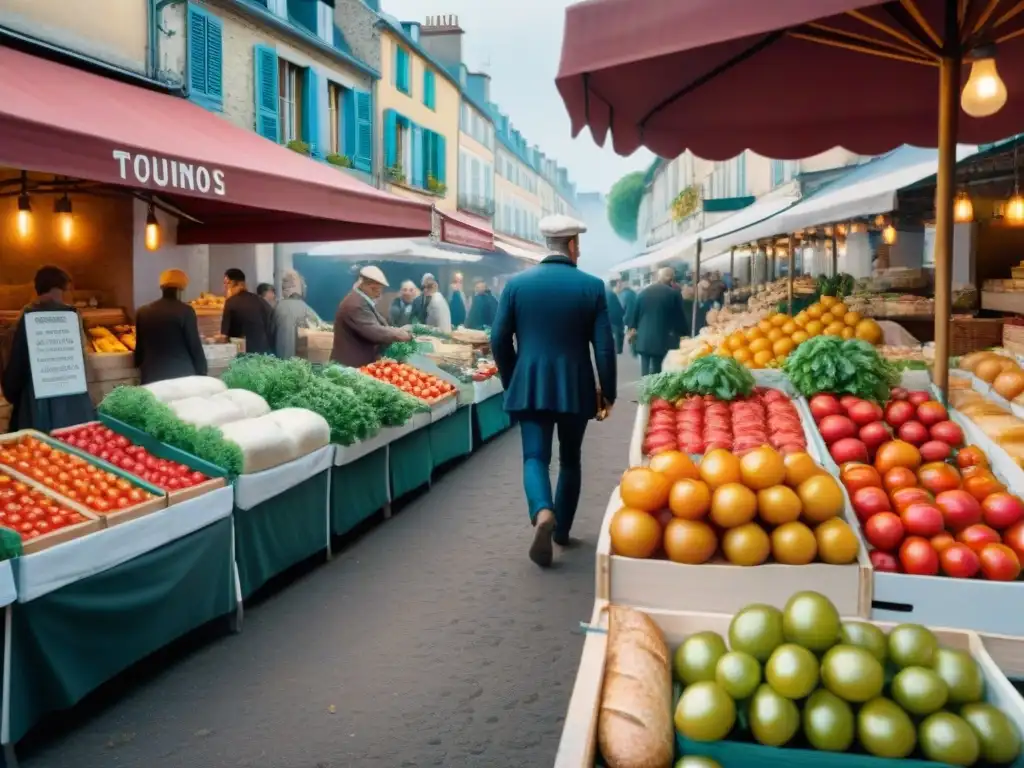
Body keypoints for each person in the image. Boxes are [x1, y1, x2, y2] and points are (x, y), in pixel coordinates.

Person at [491, 214, 616, 568]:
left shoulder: (516, 285)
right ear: (573, 245)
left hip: (529, 384)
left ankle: (542, 511)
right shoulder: (592, 286)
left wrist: (513, 378)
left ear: (548, 245)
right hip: (575, 386)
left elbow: (499, 339)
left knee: (535, 457)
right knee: (571, 459)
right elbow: (604, 347)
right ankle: (561, 532)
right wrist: (607, 391)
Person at [1, 266, 95, 432]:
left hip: (36, 409)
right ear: (59, 288)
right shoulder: (72, 317)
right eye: (67, 290)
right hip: (74, 408)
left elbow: (15, 371)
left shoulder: (26, 317)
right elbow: (84, 365)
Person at [134, 268, 208, 384]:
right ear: (181, 289)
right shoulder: (186, 311)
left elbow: (139, 349)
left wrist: (138, 365)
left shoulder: (142, 312)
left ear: (162, 288)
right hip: (181, 376)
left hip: (151, 376)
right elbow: (194, 345)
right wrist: (202, 371)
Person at [331, 265, 412, 367]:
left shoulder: (360, 300)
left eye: (380, 289)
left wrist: (397, 330)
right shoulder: (355, 304)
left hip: (357, 363)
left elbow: (378, 323)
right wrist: (399, 334)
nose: (379, 293)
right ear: (368, 285)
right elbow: (374, 331)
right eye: (376, 289)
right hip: (350, 366)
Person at [627, 266, 687, 376]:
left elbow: (634, 315)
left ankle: (644, 388)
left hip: (644, 339)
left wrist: (632, 329)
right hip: (662, 339)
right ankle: (653, 391)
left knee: (644, 369)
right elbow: (679, 317)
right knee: (657, 369)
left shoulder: (643, 292)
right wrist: (685, 333)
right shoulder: (673, 294)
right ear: (671, 279)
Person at [220, 268, 275, 355]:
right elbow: (272, 324)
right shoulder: (259, 300)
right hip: (264, 354)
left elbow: (224, 336)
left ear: (232, 283)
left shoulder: (230, 302)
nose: (224, 287)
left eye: (226, 283)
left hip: (243, 356)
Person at [272, 270, 320, 359]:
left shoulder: (277, 308)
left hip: (279, 364)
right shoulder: (307, 310)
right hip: (300, 365)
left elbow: (270, 334)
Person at [618, 280, 638, 357]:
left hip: (627, 318)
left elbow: (621, 307)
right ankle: (634, 349)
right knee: (634, 334)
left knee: (630, 335)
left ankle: (633, 351)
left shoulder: (622, 295)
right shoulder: (633, 293)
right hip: (635, 317)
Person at [606, 279, 626, 354]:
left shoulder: (608, 293)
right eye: (619, 285)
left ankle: (616, 349)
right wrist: (622, 313)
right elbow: (616, 307)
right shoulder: (612, 294)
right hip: (615, 318)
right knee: (618, 333)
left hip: (609, 317)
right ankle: (618, 350)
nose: (620, 287)